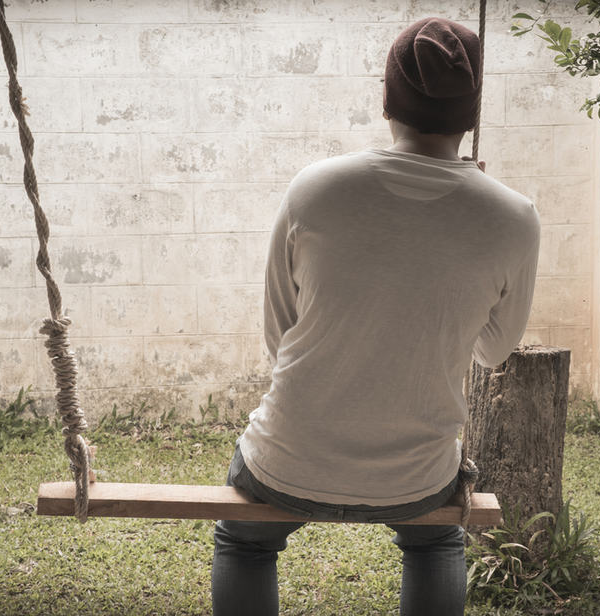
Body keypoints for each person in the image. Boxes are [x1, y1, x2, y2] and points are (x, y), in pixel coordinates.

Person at [211, 16, 541, 616]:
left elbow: (278, 336)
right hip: (416, 477)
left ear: (388, 100)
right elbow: (492, 351)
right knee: (436, 539)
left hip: (288, 459)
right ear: (470, 114)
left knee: (245, 542)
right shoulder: (514, 217)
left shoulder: (314, 189)